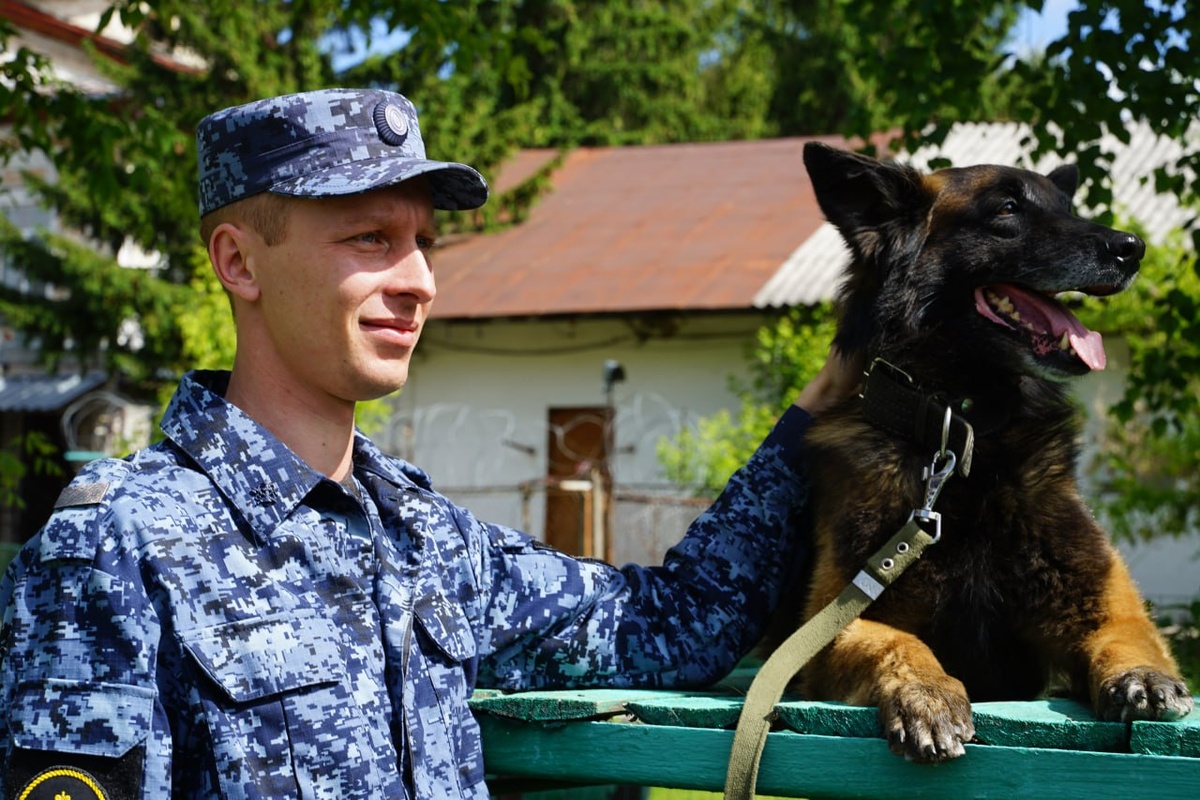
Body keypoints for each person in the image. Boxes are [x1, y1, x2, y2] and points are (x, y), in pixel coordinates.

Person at [0, 88, 858, 799]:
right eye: (370, 239)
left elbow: (675, 624)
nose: (418, 281)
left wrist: (818, 409)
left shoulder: (425, 540)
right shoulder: (119, 543)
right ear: (240, 262)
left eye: (423, 244)